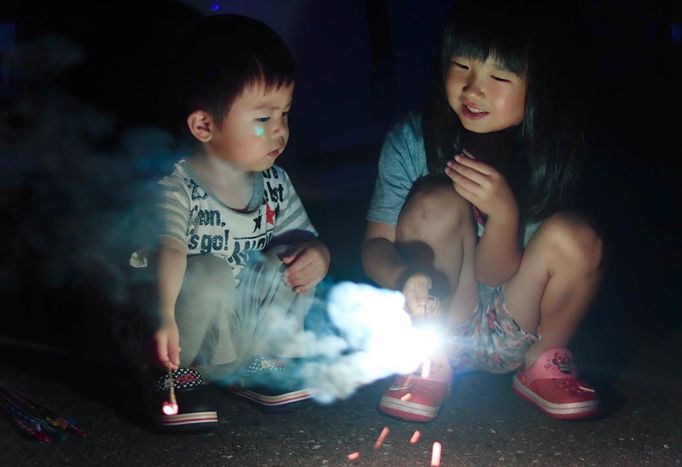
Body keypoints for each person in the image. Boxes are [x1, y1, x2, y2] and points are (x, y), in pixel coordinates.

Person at [362, 0, 603, 422]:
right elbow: (375, 246)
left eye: (499, 77)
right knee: (434, 200)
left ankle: (544, 362)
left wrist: (505, 215)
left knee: (579, 236)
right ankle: (427, 364)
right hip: (440, 317)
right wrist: (405, 277)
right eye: (462, 67)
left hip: (519, 322)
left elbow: (496, 274)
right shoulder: (411, 140)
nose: (474, 90)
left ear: (538, 86)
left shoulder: (547, 151)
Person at [135, 14, 330, 432]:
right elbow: (167, 249)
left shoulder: (274, 183)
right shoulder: (175, 185)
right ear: (204, 124)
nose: (280, 131)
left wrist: (318, 255)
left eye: (285, 114)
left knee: (292, 258)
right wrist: (163, 316)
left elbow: (306, 238)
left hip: (235, 331)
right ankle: (170, 380)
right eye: (263, 118)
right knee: (206, 269)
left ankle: (257, 367)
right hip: (173, 334)